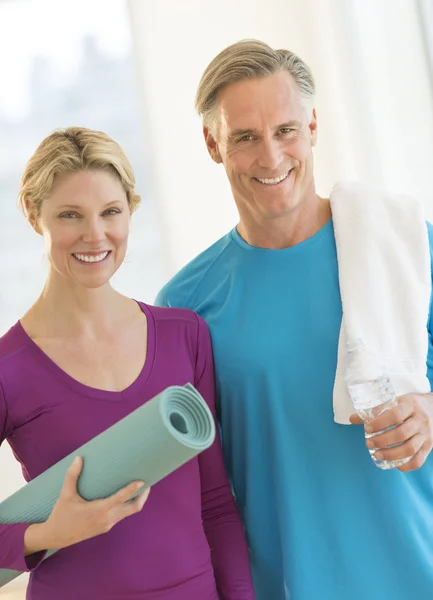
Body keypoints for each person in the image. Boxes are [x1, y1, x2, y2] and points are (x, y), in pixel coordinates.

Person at [156, 39, 433, 600]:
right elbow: (198, 494)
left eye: (285, 130)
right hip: (292, 587)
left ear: (312, 125)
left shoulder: (406, 248)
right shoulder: (183, 306)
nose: (271, 156)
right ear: (213, 144)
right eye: (245, 138)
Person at [0, 127, 255, 600]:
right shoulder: (7, 368)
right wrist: (48, 534)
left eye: (111, 212)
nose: (95, 235)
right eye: (70, 215)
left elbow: (216, 502)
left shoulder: (184, 335)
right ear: (36, 216)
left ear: (130, 212)